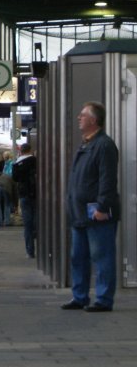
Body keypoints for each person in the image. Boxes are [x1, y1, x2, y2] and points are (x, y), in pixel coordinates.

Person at [61, 101, 119, 312]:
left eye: (82, 115)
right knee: (79, 257)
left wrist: (103, 207)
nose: (79, 118)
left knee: (102, 257)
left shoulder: (104, 145)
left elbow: (107, 179)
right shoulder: (86, 144)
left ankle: (103, 299)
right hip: (80, 213)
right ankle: (80, 296)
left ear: (93, 120)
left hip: (97, 213)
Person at [12, 142, 37, 258]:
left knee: (27, 224)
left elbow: (15, 178)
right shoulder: (35, 161)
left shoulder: (17, 164)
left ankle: (30, 251)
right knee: (37, 221)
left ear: (21, 151)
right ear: (30, 149)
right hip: (36, 194)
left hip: (23, 194)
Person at [0, 162, 15, 227]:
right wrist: (16, 204)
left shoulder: (2, 173)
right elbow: (15, 192)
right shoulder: (13, 178)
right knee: (7, 204)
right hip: (6, 188)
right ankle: (7, 221)